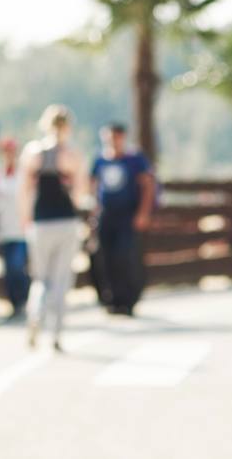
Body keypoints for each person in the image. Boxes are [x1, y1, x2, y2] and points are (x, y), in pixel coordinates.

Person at [18, 105, 85, 351]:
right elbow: (79, 194)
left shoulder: (32, 152)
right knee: (61, 280)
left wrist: (25, 218)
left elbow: (24, 191)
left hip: (40, 222)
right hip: (66, 221)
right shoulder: (72, 154)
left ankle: (35, 316)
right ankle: (56, 334)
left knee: (40, 278)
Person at [88, 123, 154, 317]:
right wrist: (93, 213)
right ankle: (111, 299)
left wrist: (143, 213)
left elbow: (147, 186)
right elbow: (93, 187)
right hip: (106, 215)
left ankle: (129, 299)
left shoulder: (135, 160)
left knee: (125, 256)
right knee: (105, 257)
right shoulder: (100, 160)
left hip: (127, 215)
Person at [0, 137, 30, 319]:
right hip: (5, 230)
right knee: (9, 269)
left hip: (22, 230)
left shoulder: (24, 175)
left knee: (18, 266)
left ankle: (23, 300)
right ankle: (15, 303)